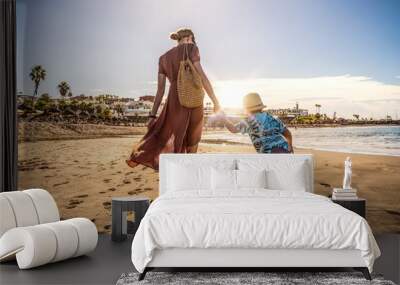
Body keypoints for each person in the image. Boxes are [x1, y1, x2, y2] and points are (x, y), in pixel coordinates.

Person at [126, 28, 220, 170]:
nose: (193, 42)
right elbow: (202, 76)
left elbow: (160, 91)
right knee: (193, 138)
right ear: (189, 37)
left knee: (174, 135)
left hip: (174, 101)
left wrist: (153, 114)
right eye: (192, 39)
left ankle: (177, 172)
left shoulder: (163, 58)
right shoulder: (192, 48)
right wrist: (215, 100)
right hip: (192, 97)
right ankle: (189, 170)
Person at [221, 92, 293, 153]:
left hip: (269, 154)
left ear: (247, 109)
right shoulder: (272, 118)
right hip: (284, 149)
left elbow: (233, 129)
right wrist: (290, 146)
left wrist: (223, 118)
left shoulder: (249, 121)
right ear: (261, 107)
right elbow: (287, 133)